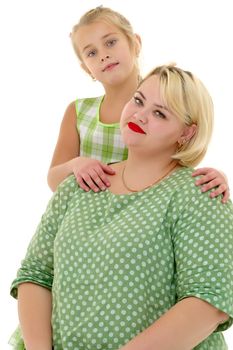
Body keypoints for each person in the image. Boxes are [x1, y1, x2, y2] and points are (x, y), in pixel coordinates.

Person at [10, 64, 233, 349]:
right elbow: (36, 275)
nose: (140, 115)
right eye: (138, 100)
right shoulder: (78, 186)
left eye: (160, 113)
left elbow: (209, 302)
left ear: (187, 133)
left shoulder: (200, 194)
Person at [47, 6, 229, 202]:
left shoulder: (165, 100)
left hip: (140, 213)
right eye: (91, 53)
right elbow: (53, 179)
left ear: (135, 43)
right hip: (84, 212)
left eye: (111, 42)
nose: (103, 55)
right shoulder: (78, 111)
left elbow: (181, 156)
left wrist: (219, 177)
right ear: (86, 69)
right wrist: (75, 165)